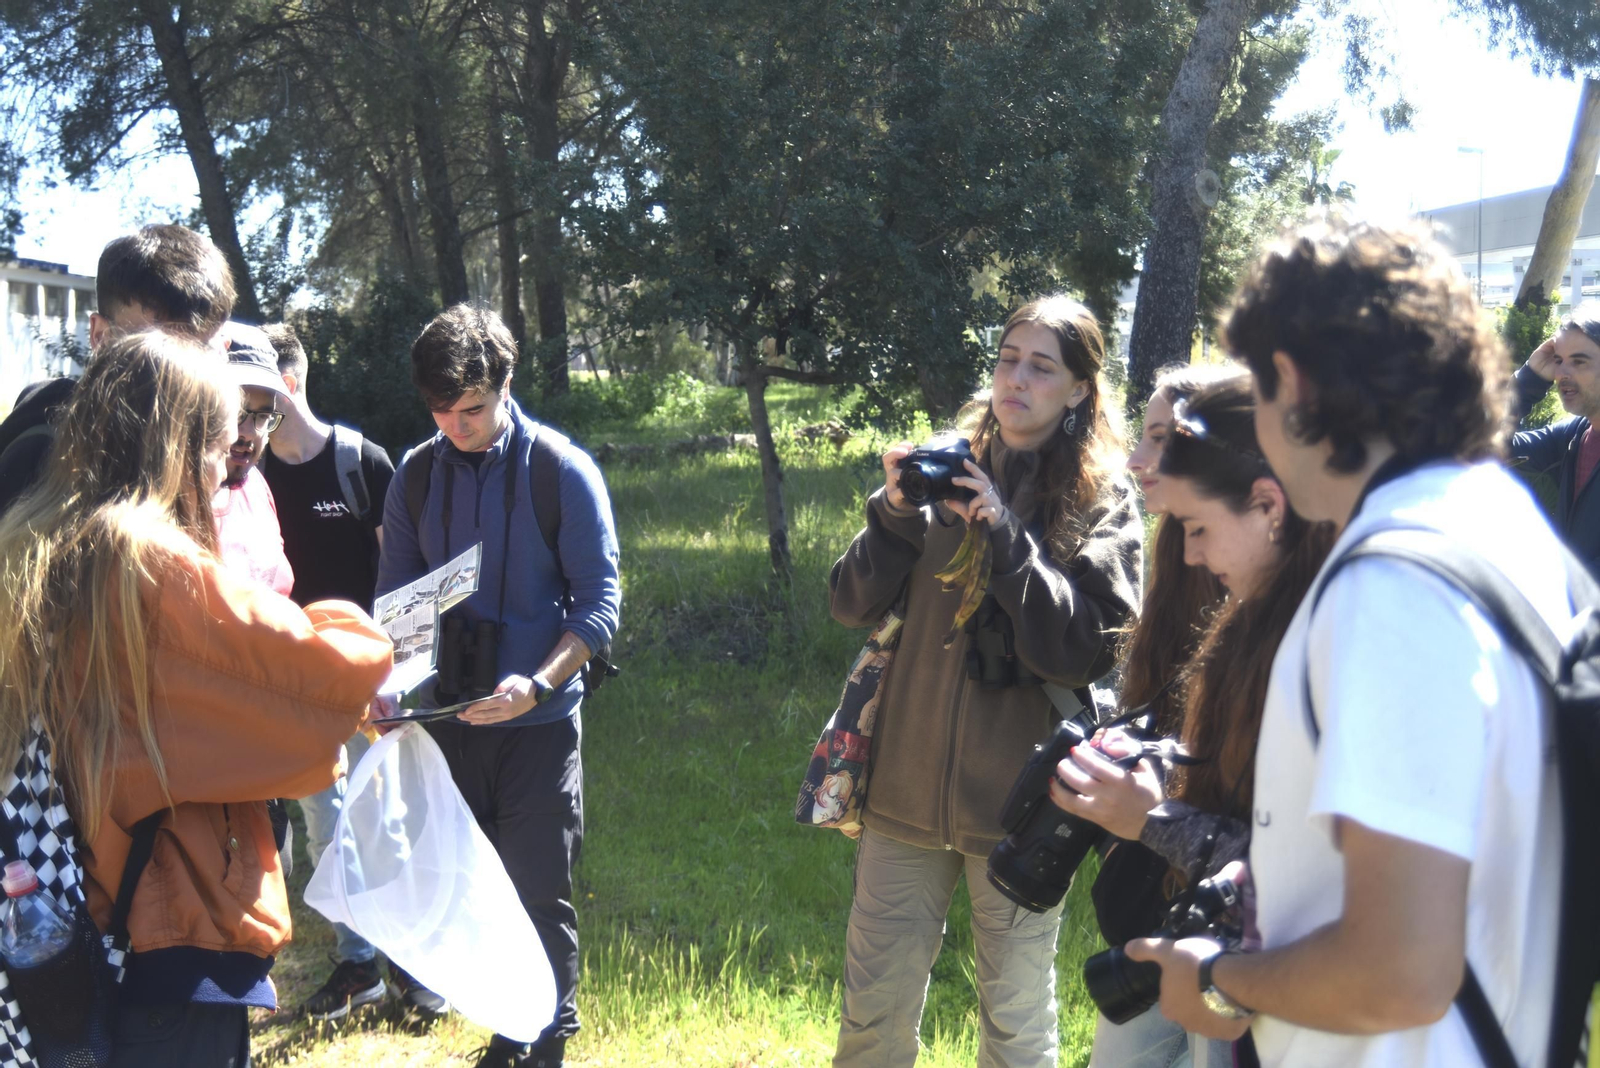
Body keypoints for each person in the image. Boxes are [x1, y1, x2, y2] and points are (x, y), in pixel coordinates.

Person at [1126, 216, 1571, 1068]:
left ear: (1290, 383)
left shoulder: (1391, 584)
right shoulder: (1503, 534)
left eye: (1254, 392)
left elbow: (1397, 974)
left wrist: (1222, 977)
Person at [0, 331, 390, 1064]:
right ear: (180, 446)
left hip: (67, 923)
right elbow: (323, 690)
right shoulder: (153, 567)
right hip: (162, 938)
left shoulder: (39, 538)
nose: (227, 464)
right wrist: (350, 625)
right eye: (219, 442)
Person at [828, 295, 1143, 1068]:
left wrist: (1005, 535)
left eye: (1042, 367)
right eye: (1008, 359)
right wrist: (896, 511)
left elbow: (1084, 649)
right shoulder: (943, 468)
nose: (1018, 379)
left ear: (1078, 391)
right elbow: (849, 602)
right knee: (871, 1016)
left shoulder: (1103, 498)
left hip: (1023, 811)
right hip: (902, 793)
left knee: (1014, 1022)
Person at [1055, 374, 1334, 1068]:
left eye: (1197, 528)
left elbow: (1309, 875)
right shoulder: (1254, 619)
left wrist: (1151, 820)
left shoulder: (1325, 644)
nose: (1187, 555)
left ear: (1269, 504)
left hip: (1271, 980)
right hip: (1197, 937)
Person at [377, 304, 621, 1068]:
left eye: (473, 409)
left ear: (506, 383)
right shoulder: (415, 478)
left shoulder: (560, 471)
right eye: (441, 411)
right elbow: (397, 608)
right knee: (468, 888)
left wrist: (538, 685)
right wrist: (386, 690)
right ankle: (510, 1026)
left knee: (538, 889)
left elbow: (600, 605)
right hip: (449, 721)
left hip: (537, 725)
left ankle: (546, 1036)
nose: (457, 426)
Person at [257, 323, 397, 1021]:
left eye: (257, 389)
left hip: (365, 680)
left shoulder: (359, 462)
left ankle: (407, 961)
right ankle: (357, 962)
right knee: (327, 823)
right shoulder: (246, 475)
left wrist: (395, 676)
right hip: (287, 685)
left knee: (388, 819)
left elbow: (401, 575)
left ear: (289, 382)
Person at [0, 223, 236, 516]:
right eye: (149, 352)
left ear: (223, 350)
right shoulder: (43, 455)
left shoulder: (228, 459)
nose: (175, 375)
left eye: (199, 351)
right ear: (100, 336)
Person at [1507, 301, 1600, 575]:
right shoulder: (1574, 436)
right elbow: (1482, 443)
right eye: (1558, 361)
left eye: (1579, 361)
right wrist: (1528, 381)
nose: (1561, 374)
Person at [213, 321, 294, 598]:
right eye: (236, 412)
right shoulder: (169, 502)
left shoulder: (256, 486)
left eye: (263, 416)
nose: (247, 433)